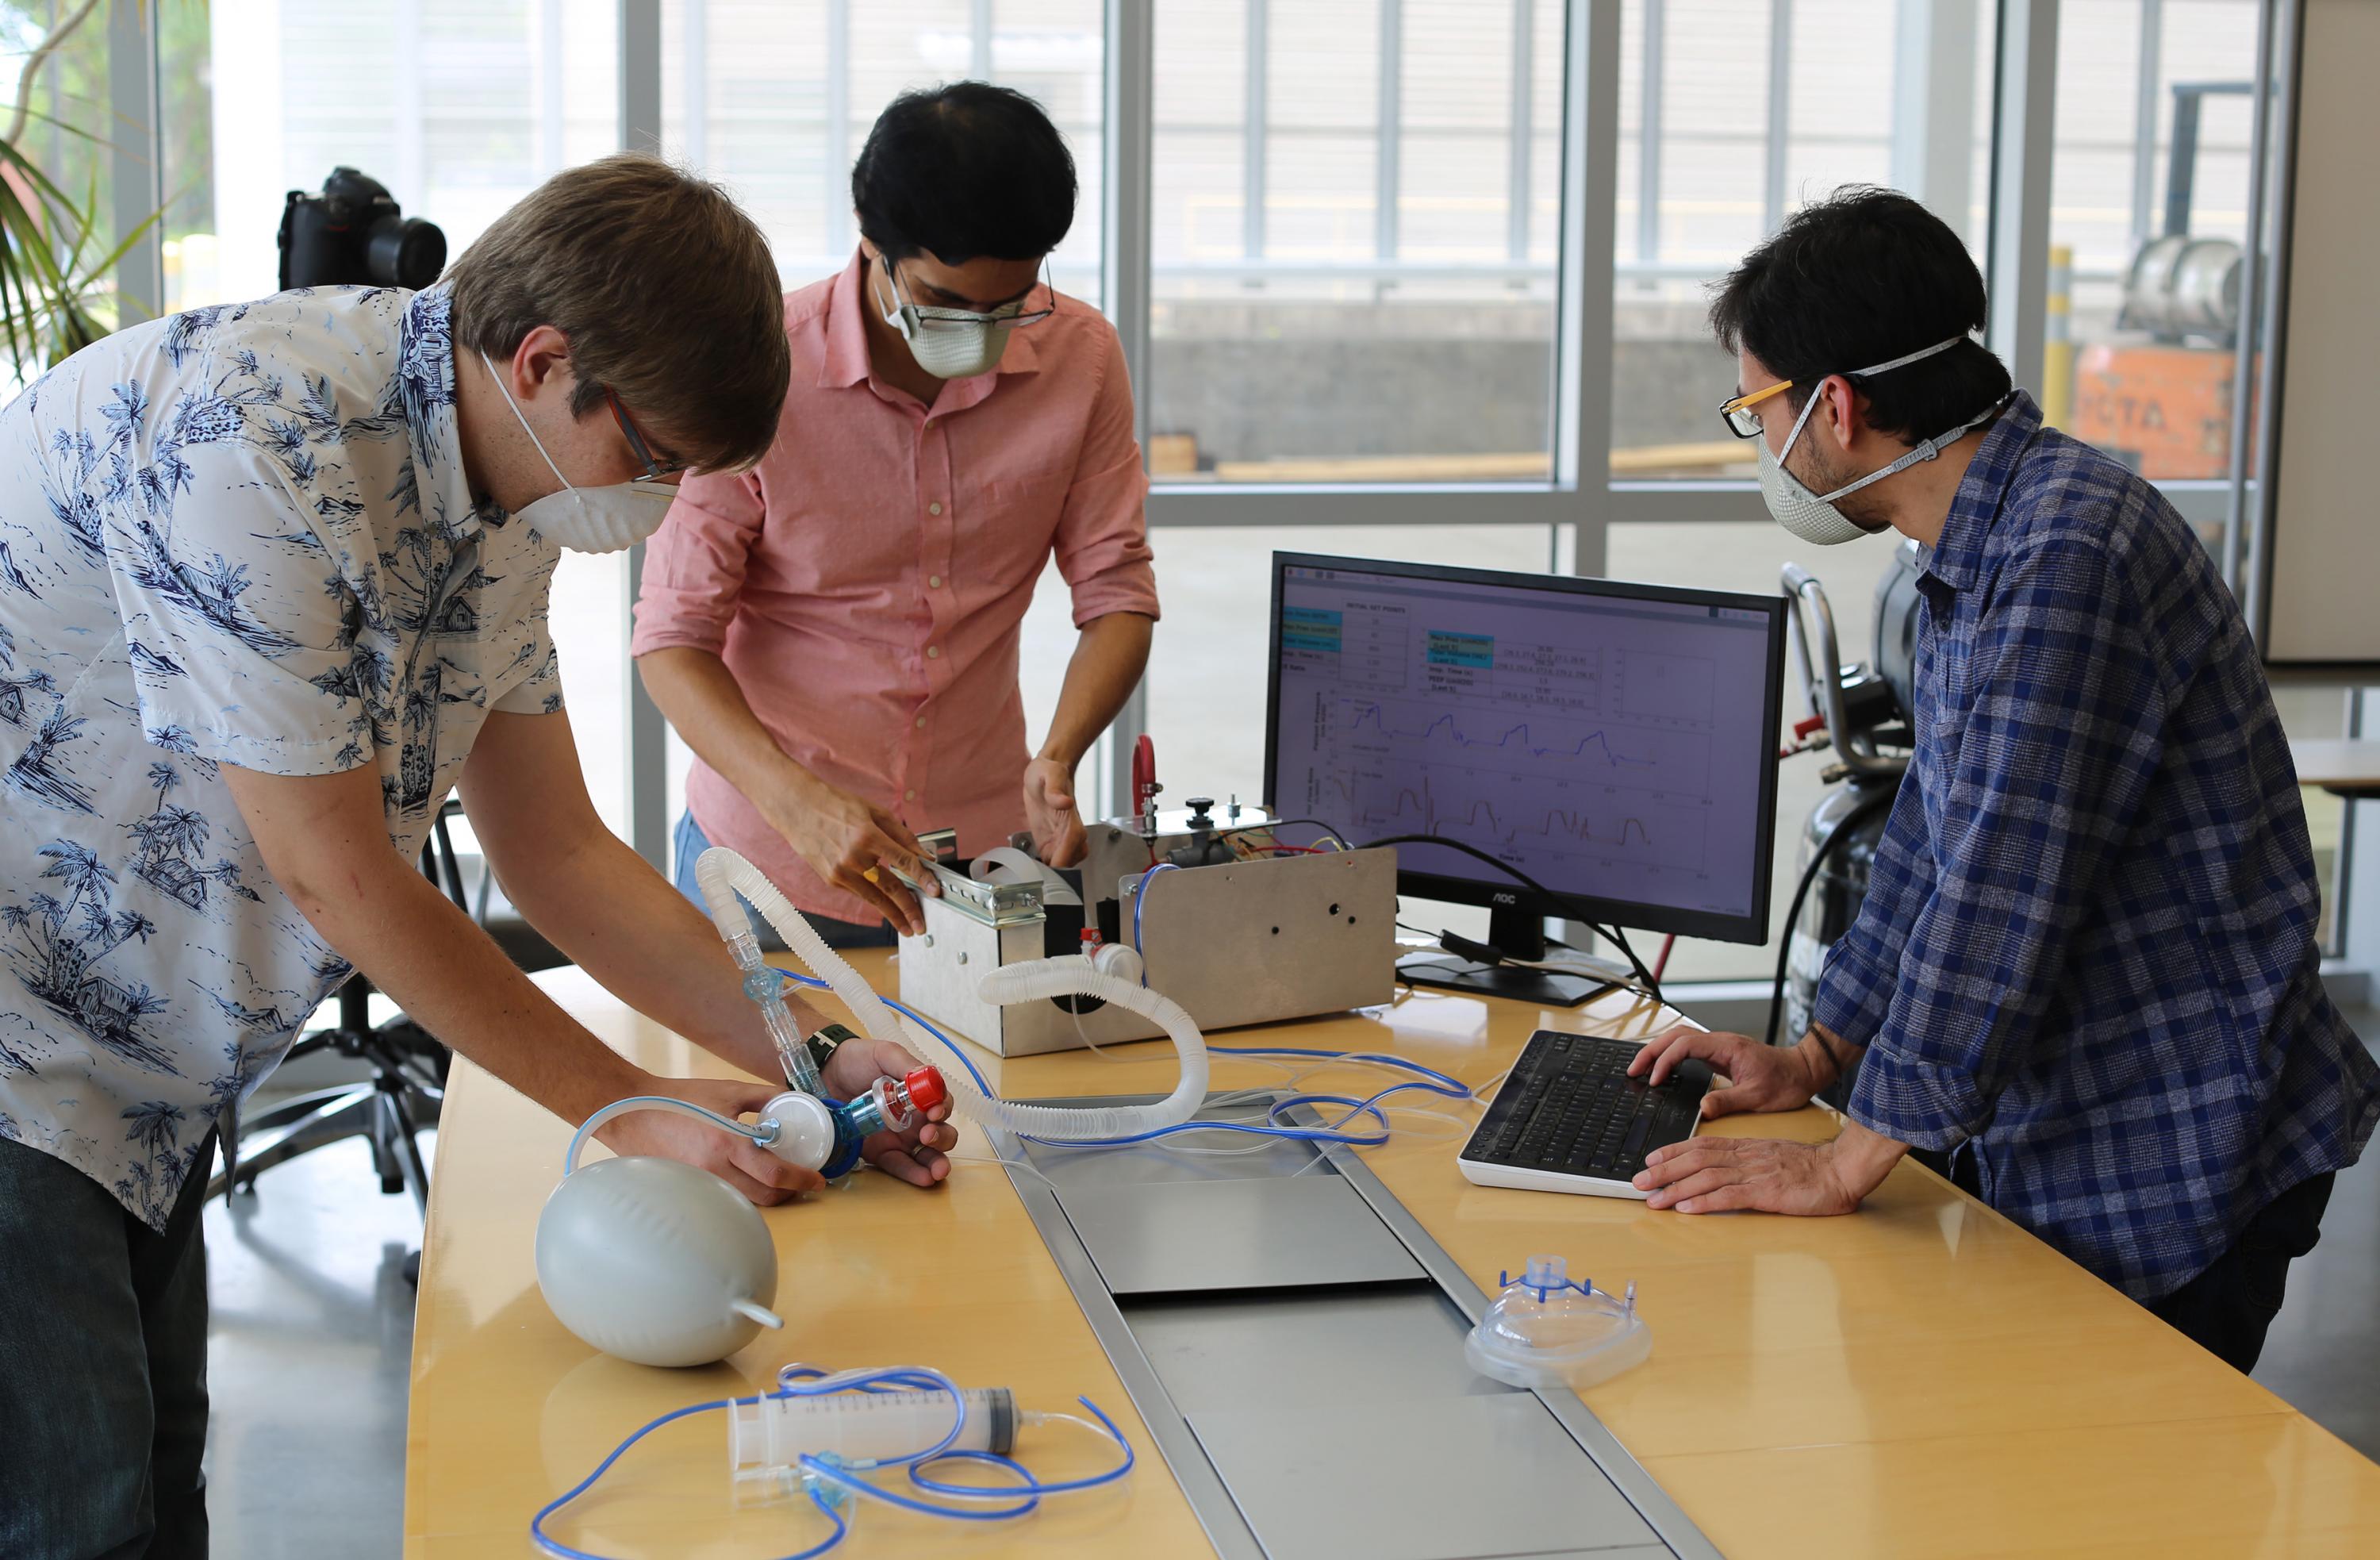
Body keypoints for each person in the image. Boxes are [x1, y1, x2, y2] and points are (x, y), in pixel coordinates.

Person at [0, 156, 954, 1559]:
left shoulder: (503, 493)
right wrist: (622, 1107)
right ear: (546, 357)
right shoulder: (251, 438)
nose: (657, 501)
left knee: (156, 1489)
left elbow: (558, 852)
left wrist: (809, 1045)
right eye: (655, 460)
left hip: (145, 1061)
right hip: (22, 1035)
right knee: (75, 1518)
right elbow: (340, 874)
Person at [1626, 186, 2380, 1372]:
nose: (1759, 442)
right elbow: (1934, 831)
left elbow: (1999, 904)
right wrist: (1819, 1058)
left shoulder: (2064, 555)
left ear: (1834, 405)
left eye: (1754, 407)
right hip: (2064, 1116)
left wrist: (1843, 1157)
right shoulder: (1982, 544)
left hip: (2169, 1144)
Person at [635, 83, 1159, 943]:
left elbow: (1118, 596)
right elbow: (672, 641)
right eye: (950, 304)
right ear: (872, 241)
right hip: (769, 866)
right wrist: (794, 801)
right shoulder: (763, 367)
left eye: (1014, 301)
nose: (984, 335)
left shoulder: (1083, 358)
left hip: (980, 869)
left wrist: (1059, 754)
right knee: (762, 1084)